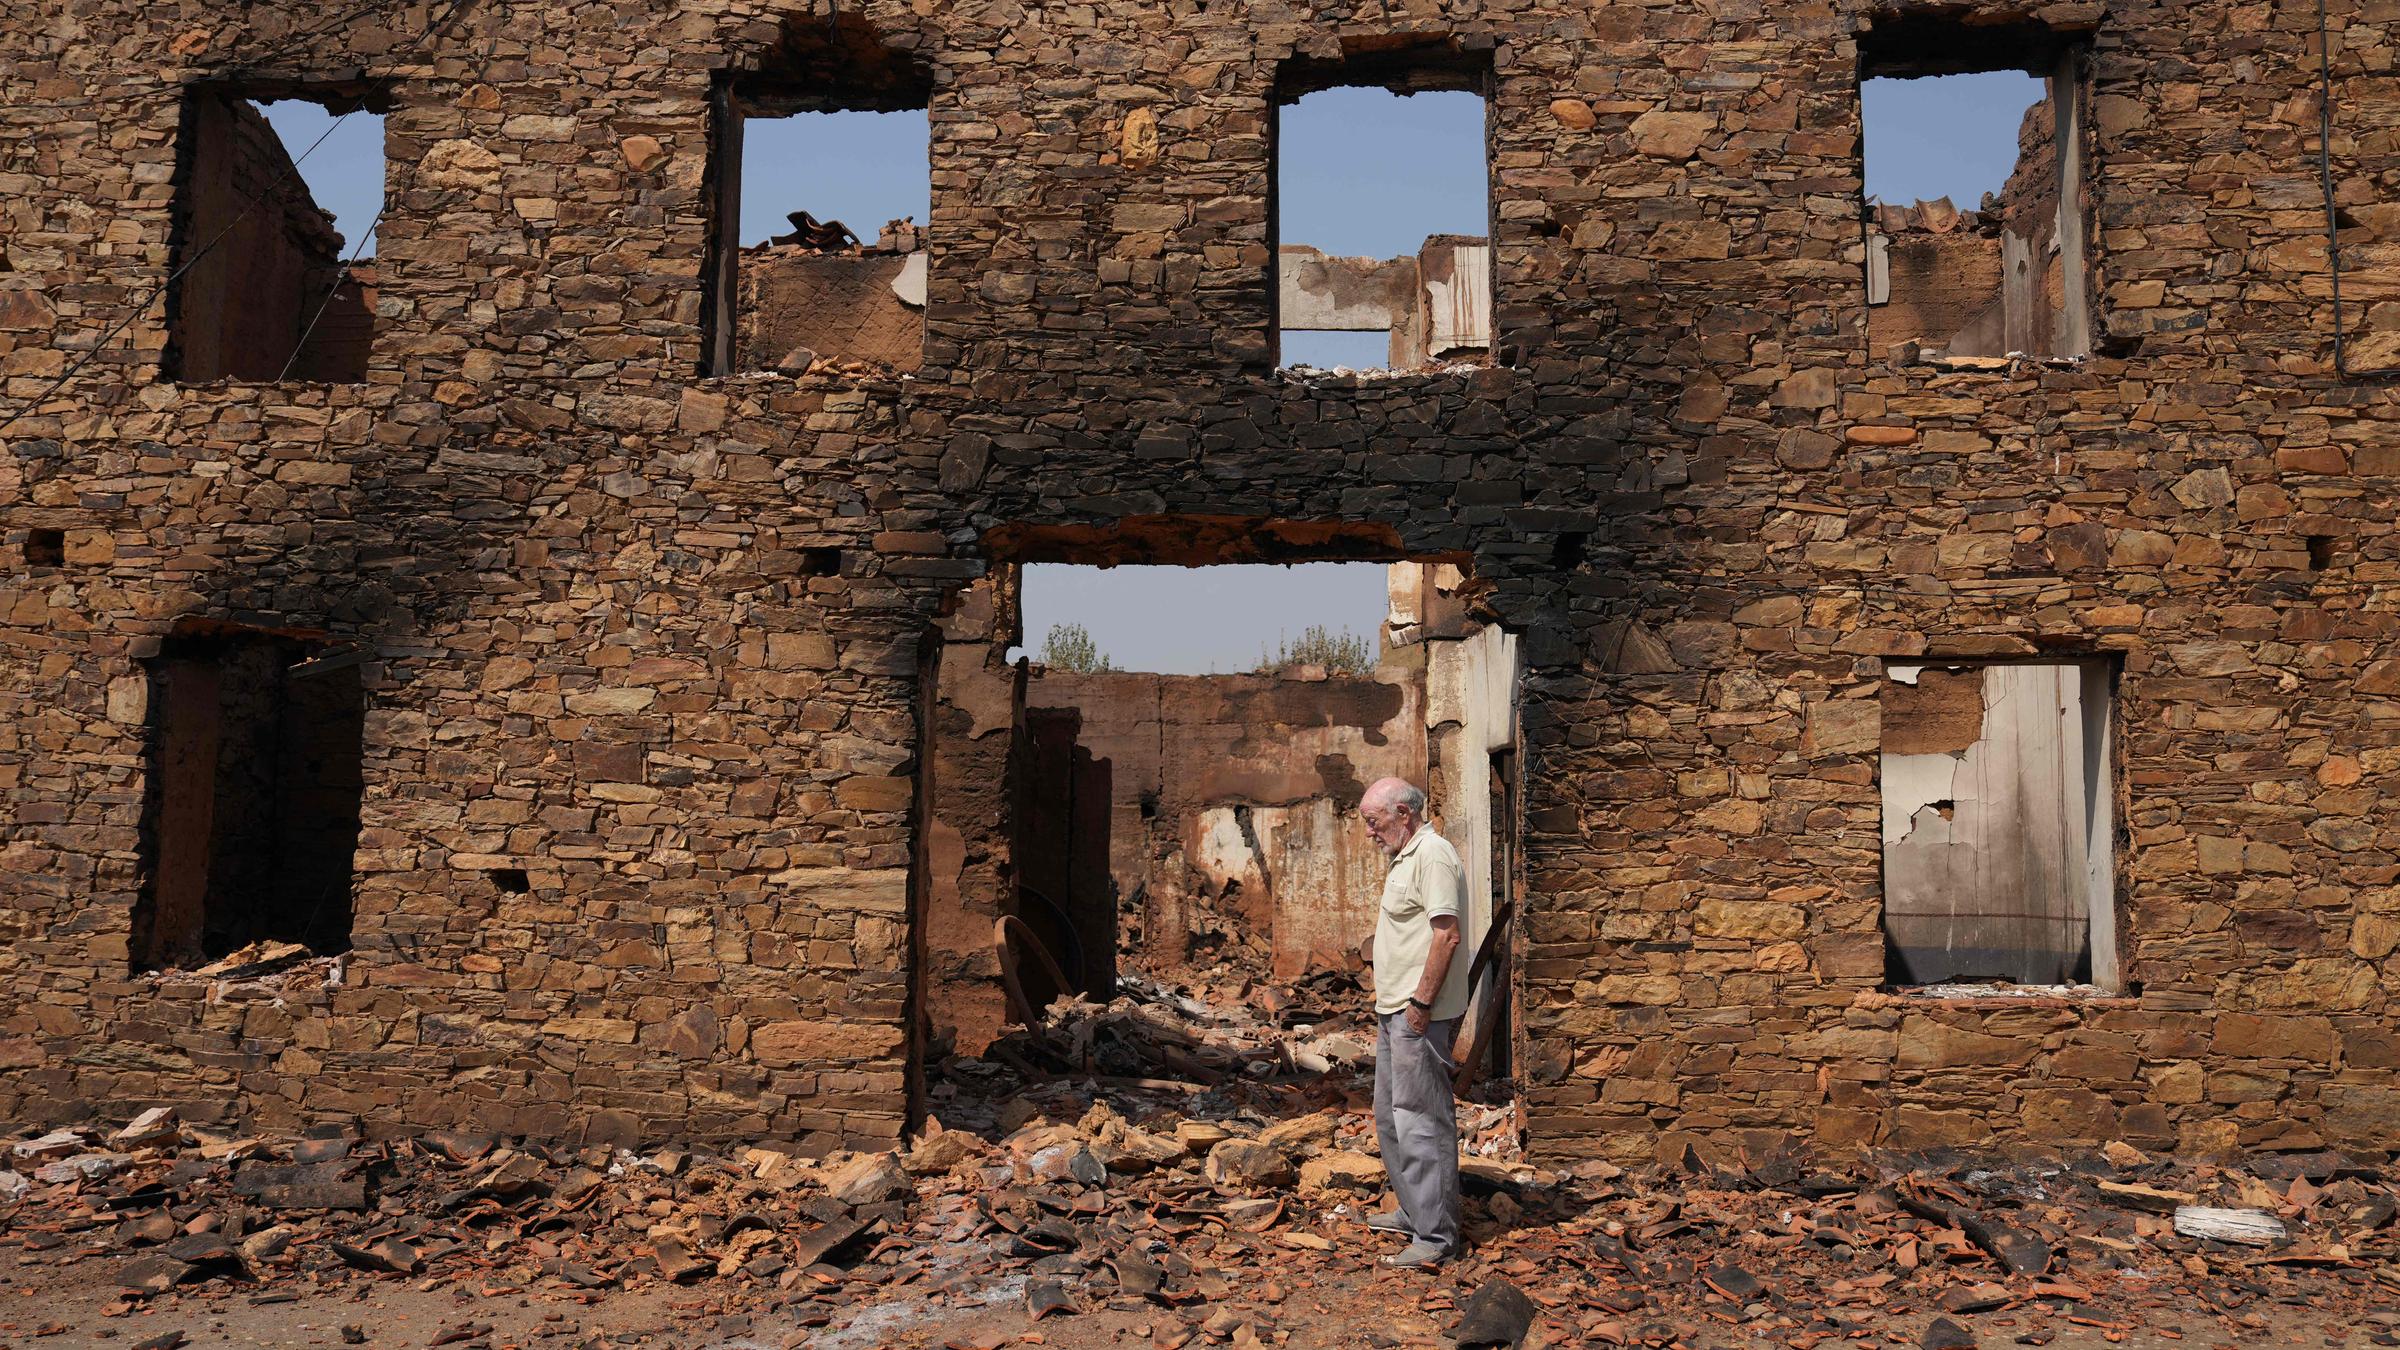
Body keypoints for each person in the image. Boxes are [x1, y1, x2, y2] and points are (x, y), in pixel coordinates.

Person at [1355, 776, 1469, 1269]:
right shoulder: (1406, 855)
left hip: (1418, 1013)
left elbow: (1447, 936)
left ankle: (1436, 1237)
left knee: (1421, 1120)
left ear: (1403, 813)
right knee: (1390, 1116)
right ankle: (1415, 1210)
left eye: (1373, 822)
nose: (1369, 832)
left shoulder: (1433, 855)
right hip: (1396, 1010)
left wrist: (1421, 1004)